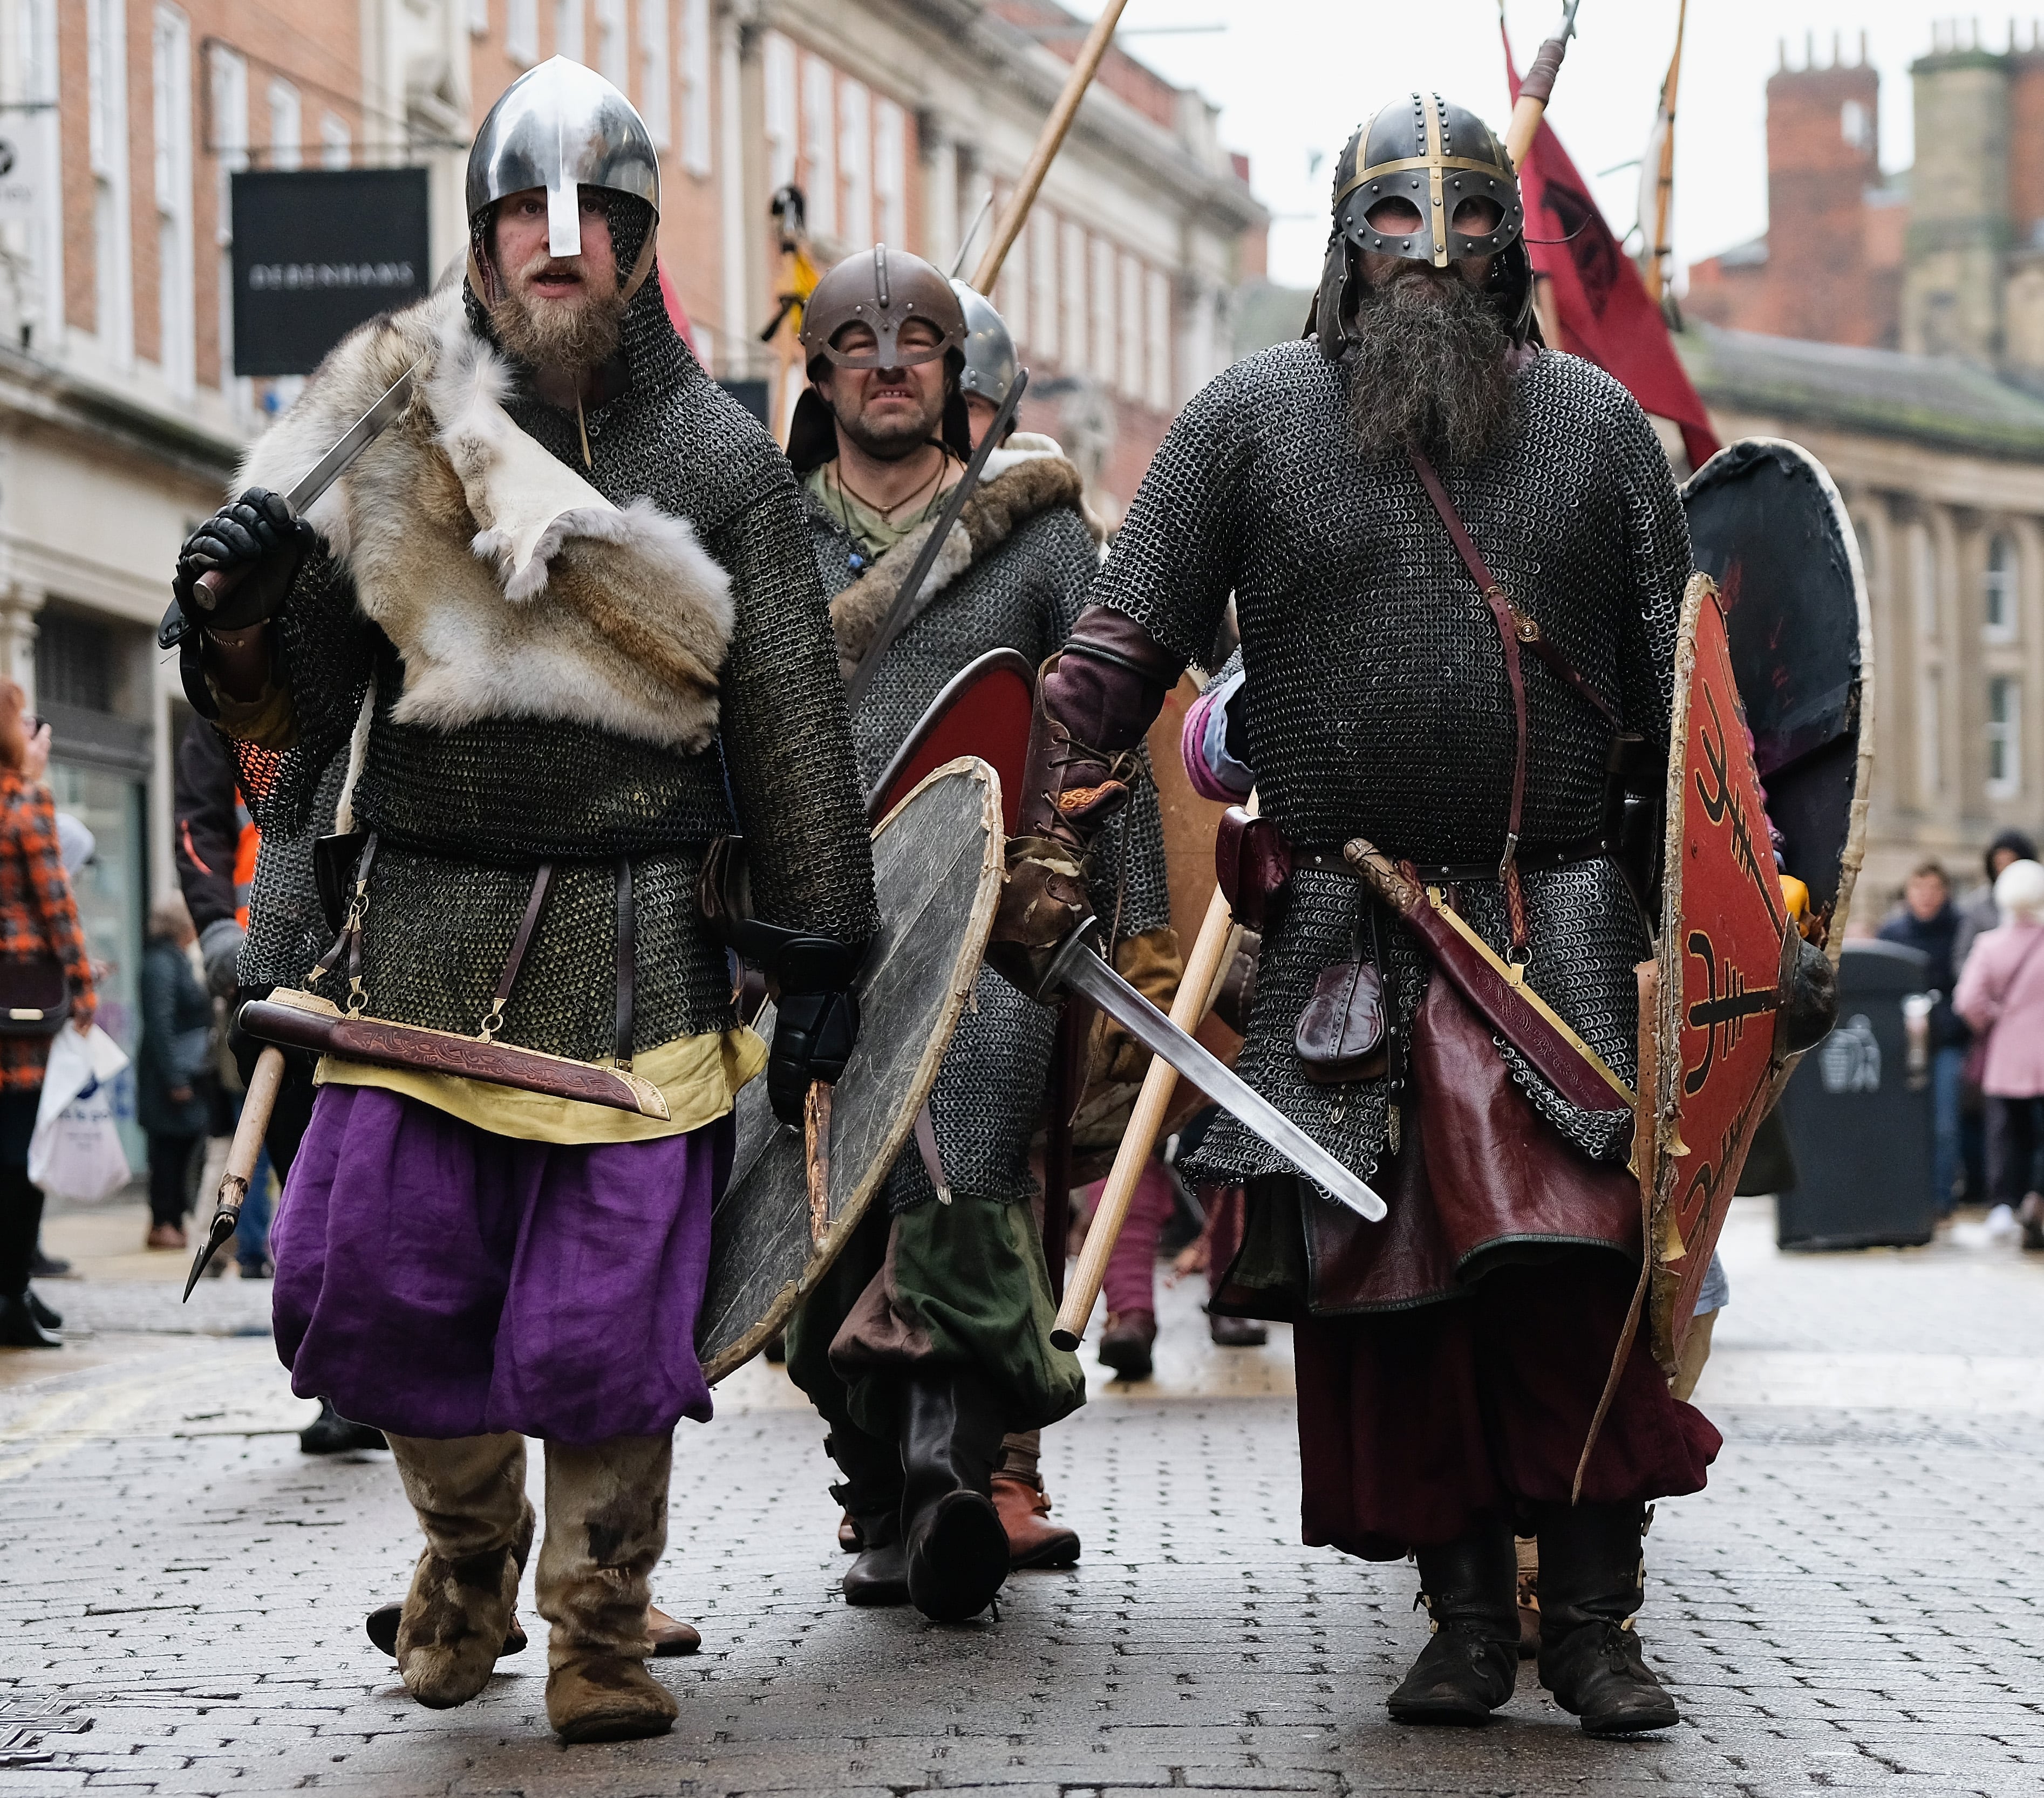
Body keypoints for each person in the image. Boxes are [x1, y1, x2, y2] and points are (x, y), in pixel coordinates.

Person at [990, 95, 1726, 1737]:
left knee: (1576, 1278)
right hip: (1344, 924)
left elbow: (1684, 707)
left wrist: (1740, 932)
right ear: (1342, 244)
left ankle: (1593, 1620)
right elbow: (1114, 650)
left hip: (1556, 920)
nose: (1434, 254)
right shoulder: (1245, 421)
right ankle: (1463, 1616)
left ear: (1505, 255)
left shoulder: (1599, 429)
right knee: (1392, 1296)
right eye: (1396, 224)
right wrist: (1049, 834)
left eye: (1468, 228)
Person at [167, 59, 875, 1745]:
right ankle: (465, 1560)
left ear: (635, 248)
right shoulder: (388, 429)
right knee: (383, 1293)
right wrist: (247, 612)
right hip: (412, 938)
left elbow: (785, 719)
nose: (561, 250)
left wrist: (829, 943)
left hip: (636, 955)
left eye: (595, 226)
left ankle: (597, 1632)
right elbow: (294, 712)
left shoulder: (715, 461)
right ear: (484, 242)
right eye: (528, 222)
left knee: (604, 1333)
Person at [781, 253, 1177, 1614]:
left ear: (957, 378)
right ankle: (878, 1488)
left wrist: (1081, 880)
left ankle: (953, 1478)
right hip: (814, 928)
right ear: (820, 374)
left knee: (961, 1190)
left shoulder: (1039, 537)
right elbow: (720, 739)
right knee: (821, 1225)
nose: (887, 364)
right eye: (856, 343)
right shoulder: (767, 536)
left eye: (917, 345)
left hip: (985, 929)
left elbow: (1094, 719)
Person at [0, 686, 94, 1348]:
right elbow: (58, 907)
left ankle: (15, 1291)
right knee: (20, 1156)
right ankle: (10, 1295)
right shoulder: (22, 802)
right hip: (19, 1013)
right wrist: (85, 988)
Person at [1954, 858, 2044, 1252]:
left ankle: (2004, 1205)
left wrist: (1996, 1017)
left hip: (2007, 1057)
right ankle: (2037, 1198)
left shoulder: (1990, 944)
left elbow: (1967, 1000)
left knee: (2006, 1135)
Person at [1879, 862, 1969, 1215]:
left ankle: (1941, 1199)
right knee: (1901, 1119)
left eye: (1934, 889)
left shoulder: (1960, 930)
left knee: (1945, 1123)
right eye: (1919, 888)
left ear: (1945, 892)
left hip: (1946, 1040)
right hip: (1901, 1043)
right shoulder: (1892, 932)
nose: (1927, 897)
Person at [137, 894, 214, 1251]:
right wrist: (175, 1079)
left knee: (181, 1148)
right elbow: (160, 1024)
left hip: (183, 1071)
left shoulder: (175, 960)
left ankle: (173, 1219)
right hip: (168, 1076)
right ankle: (162, 1221)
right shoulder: (161, 964)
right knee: (166, 1152)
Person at [1952, 829, 2036, 973]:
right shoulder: (1979, 907)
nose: (2005, 869)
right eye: (2000, 863)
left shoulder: (2038, 904)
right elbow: (1962, 957)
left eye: (2012, 862)